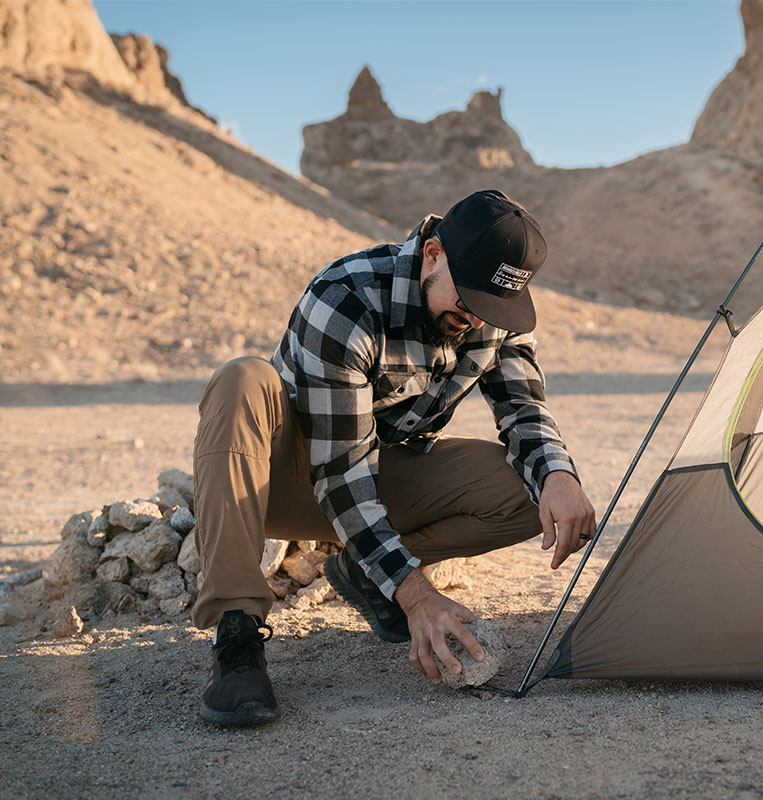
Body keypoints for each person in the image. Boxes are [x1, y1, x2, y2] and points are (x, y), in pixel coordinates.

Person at [190, 189, 596, 726]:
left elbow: (523, 409)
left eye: (491, 308)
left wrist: (560, 476)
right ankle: (236, 634)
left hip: (377, 471)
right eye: (469, 298)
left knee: (532, 487)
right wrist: (416, 595)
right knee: (242, 379)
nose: (476, 320)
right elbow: (338, 471)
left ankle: (363, 569)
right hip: (278, 481)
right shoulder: (346, 297)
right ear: (432, 254)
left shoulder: (490, 314)